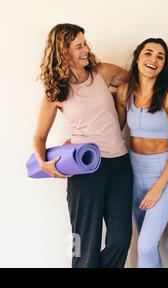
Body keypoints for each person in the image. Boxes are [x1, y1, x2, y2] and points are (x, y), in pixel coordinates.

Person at [33, 23, 132, 267]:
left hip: (120, 165)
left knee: (120, 240)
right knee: (85, 246)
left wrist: (121, 101)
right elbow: (39, 137)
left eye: (85, 43)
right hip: (85, 170)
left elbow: (140, 81)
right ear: (63, 51)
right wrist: (42, 162)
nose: (86, 49)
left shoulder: (103, 72)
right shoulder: (56, 91)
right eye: (79, 46)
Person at [115, 38, 168, 267]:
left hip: (162, 173)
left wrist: (158, 188)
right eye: (148, 53)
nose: (153, 60)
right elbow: (114, 133)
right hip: (133, 172)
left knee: (145, 246)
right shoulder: (124, 92)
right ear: (138, 58)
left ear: (164, 65)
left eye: (160, 56)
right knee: (146, 246)